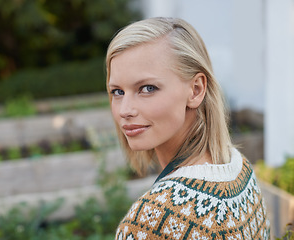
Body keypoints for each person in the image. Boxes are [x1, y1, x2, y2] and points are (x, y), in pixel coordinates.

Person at [106, 17, 270, 240]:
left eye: (147, 88)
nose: (125, 110)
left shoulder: (151, 220)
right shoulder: (240, 170)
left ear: (195, 90)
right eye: (117, 92)